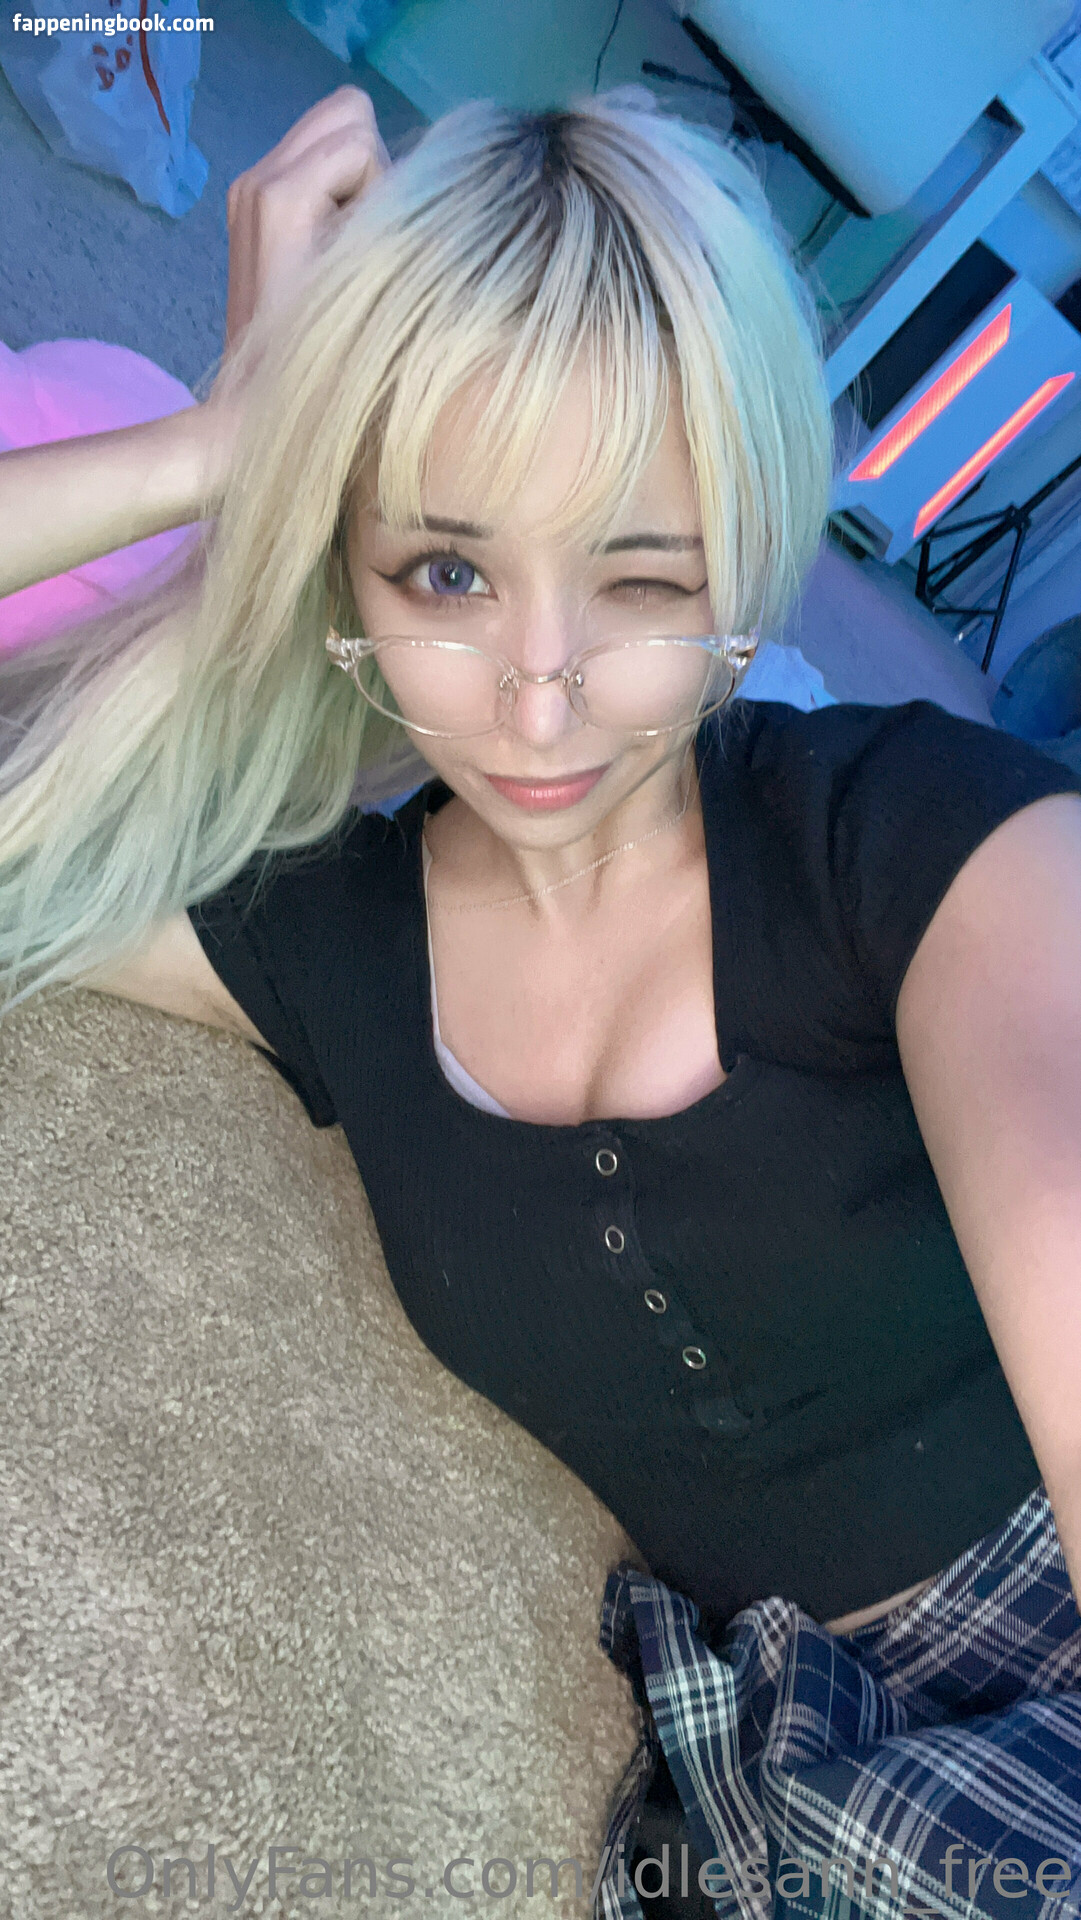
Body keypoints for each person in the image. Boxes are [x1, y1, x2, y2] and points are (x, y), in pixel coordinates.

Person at [3, 86, 1081, 1920]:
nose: (537, 695)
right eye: (447, 571)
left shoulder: (920, 844)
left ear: (742, 564)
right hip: (808, 1763)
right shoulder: (329, 944)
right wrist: (219, 439)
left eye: (638, 578)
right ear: (344, 555)